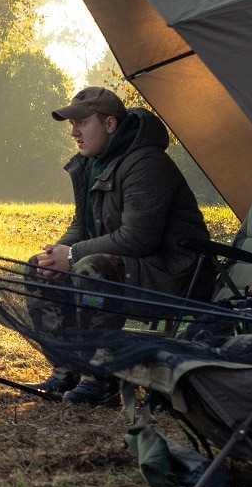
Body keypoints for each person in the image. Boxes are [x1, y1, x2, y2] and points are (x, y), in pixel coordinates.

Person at [27, 86, 208, 406]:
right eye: (72, 124)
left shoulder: (146, 163)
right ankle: (69, 367)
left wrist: (72, 256)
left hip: (170, 274)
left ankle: (101, 379)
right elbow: (82, 226)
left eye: (82, 122)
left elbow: (139, 238)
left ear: (110, 124)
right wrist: (58, 253)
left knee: (91, 268)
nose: (74, 132)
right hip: (130, 267)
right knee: (37, 266)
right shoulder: (91, 163)